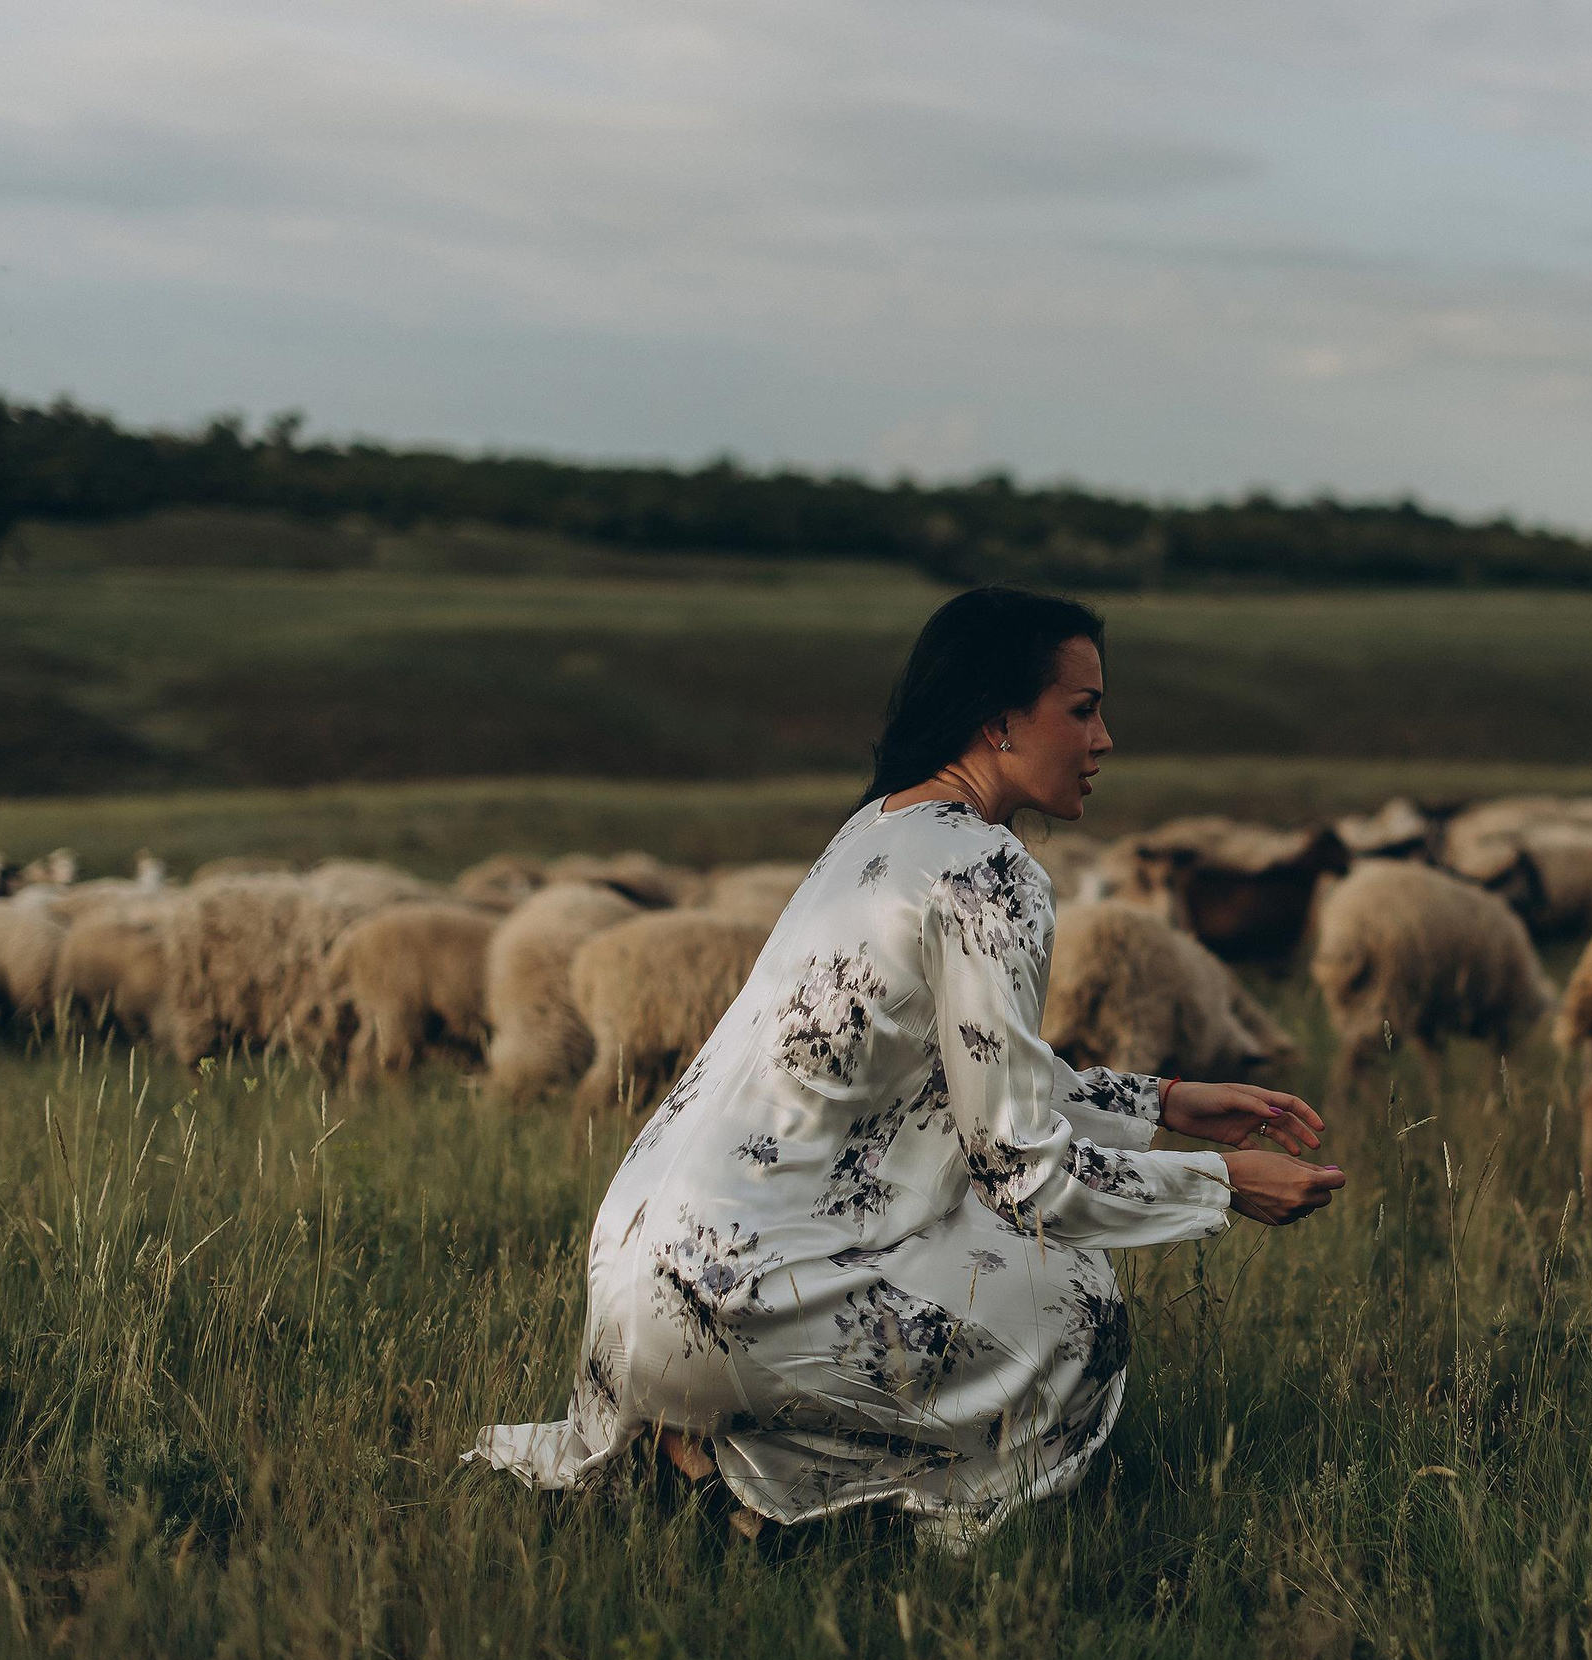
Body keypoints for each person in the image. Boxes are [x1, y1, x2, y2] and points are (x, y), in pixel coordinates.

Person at [468, 587, 1345, 1550]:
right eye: (1084, 709)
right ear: (999, 720)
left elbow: (959, 1073)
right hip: (740, 1303)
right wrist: (1223, 1186)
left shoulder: (874, 830)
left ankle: (700, 1456)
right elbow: (1024, 1170)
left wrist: (1164, 1101)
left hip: (639, 1281)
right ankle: (874, 1530)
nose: (1104, 740)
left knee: (983, 1244)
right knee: (1077, 1305)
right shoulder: (989, 871)